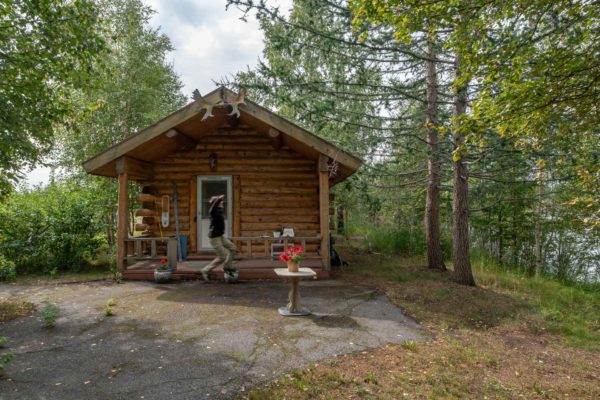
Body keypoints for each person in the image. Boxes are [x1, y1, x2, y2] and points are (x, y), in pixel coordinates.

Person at [201, 194, 237, 281]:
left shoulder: (219, 210)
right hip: (214, 238)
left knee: (233, 248)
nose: (222, 203)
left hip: (220, 236)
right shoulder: (213, 212)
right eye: (221, 202)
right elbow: (211, 210)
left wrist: (218, 200)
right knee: (222, 256)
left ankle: (227, 266)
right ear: (216, 204)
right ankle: (205, 270)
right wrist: (218, 199)